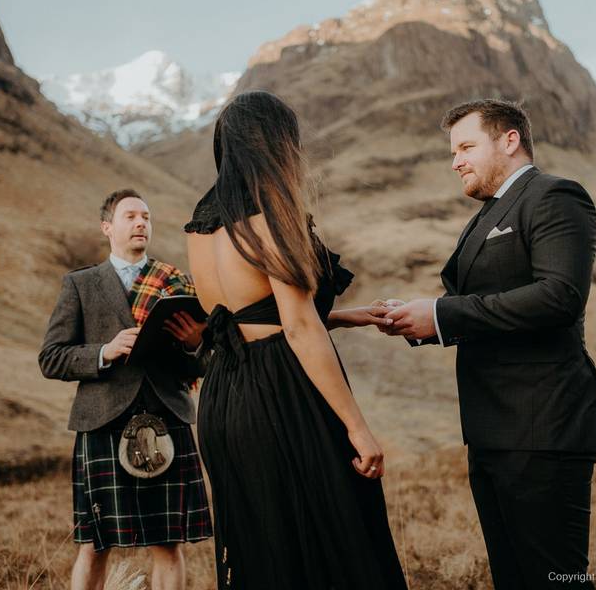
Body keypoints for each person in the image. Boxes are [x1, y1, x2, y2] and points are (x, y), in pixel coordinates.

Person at [184, 91, 407, 589]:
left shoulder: (201, 227)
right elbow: (298, 328)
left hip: (224, 398)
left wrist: (350, 316)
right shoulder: (272, 214)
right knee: (332, 537)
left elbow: (249, 314)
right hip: (280, 395)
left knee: (265, 543)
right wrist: (358, 427)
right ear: (276, 145)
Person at [383, 99, 596, 589]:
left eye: (466, 146)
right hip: (490, 429)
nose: (455, 161)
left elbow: (560, 297)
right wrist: (415, 316)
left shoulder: (555, 196)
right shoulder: (486, 215)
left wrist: (442, 314)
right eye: (453, 151)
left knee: (554, 580)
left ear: (510, 140)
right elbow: (479, 301)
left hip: (544, 426)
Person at [39, 189, 213, 590]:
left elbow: (200, 364)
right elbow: (52, 357)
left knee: (168, 545)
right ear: (107, 227)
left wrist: (193, 344)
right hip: (102, 422)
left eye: (147, 217)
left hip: (167, 418)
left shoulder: (176, 284)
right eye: (130, 216)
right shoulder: (80, 285)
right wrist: (105, 351)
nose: (141, 223)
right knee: (94, 544)